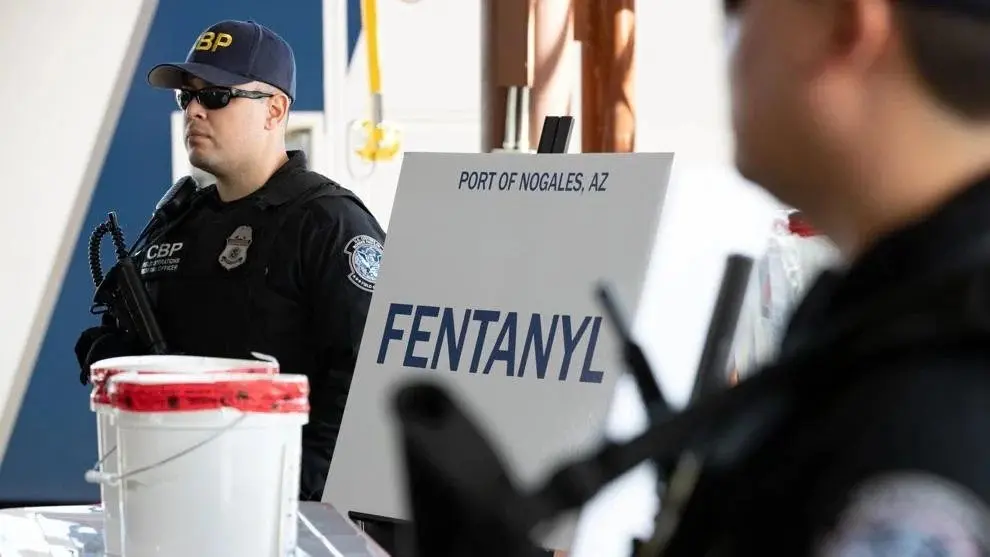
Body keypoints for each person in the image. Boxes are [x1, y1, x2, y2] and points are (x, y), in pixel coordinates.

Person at [651, 0, 990, 554]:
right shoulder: (900, 315)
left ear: (847, 27)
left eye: (738, 8)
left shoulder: (925, 421)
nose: (731, 40)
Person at [74, 19, 386, 501]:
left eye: (216, 95)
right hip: (172, 493)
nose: (194, 110)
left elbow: (367, 376)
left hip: (281, 511)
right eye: (186, 97)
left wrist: (304, 497)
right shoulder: (178, 222)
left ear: (274, 110)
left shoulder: (327, 224)